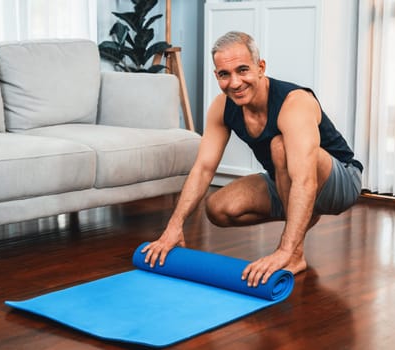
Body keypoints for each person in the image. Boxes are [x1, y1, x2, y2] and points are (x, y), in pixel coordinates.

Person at [142, 31, 363, 287]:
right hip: (288, 179)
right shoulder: (222, 107)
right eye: (225, 74)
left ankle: (295, 253)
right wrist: (174, 227)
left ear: (261, 68)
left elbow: (304, 180)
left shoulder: (294, 103)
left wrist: (284, 249)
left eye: (243, 70)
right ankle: (301, 216)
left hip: (341, 180)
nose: (235, 83)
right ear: (217, 76)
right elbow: (203, 168)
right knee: (219, 208)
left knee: (278, 146)